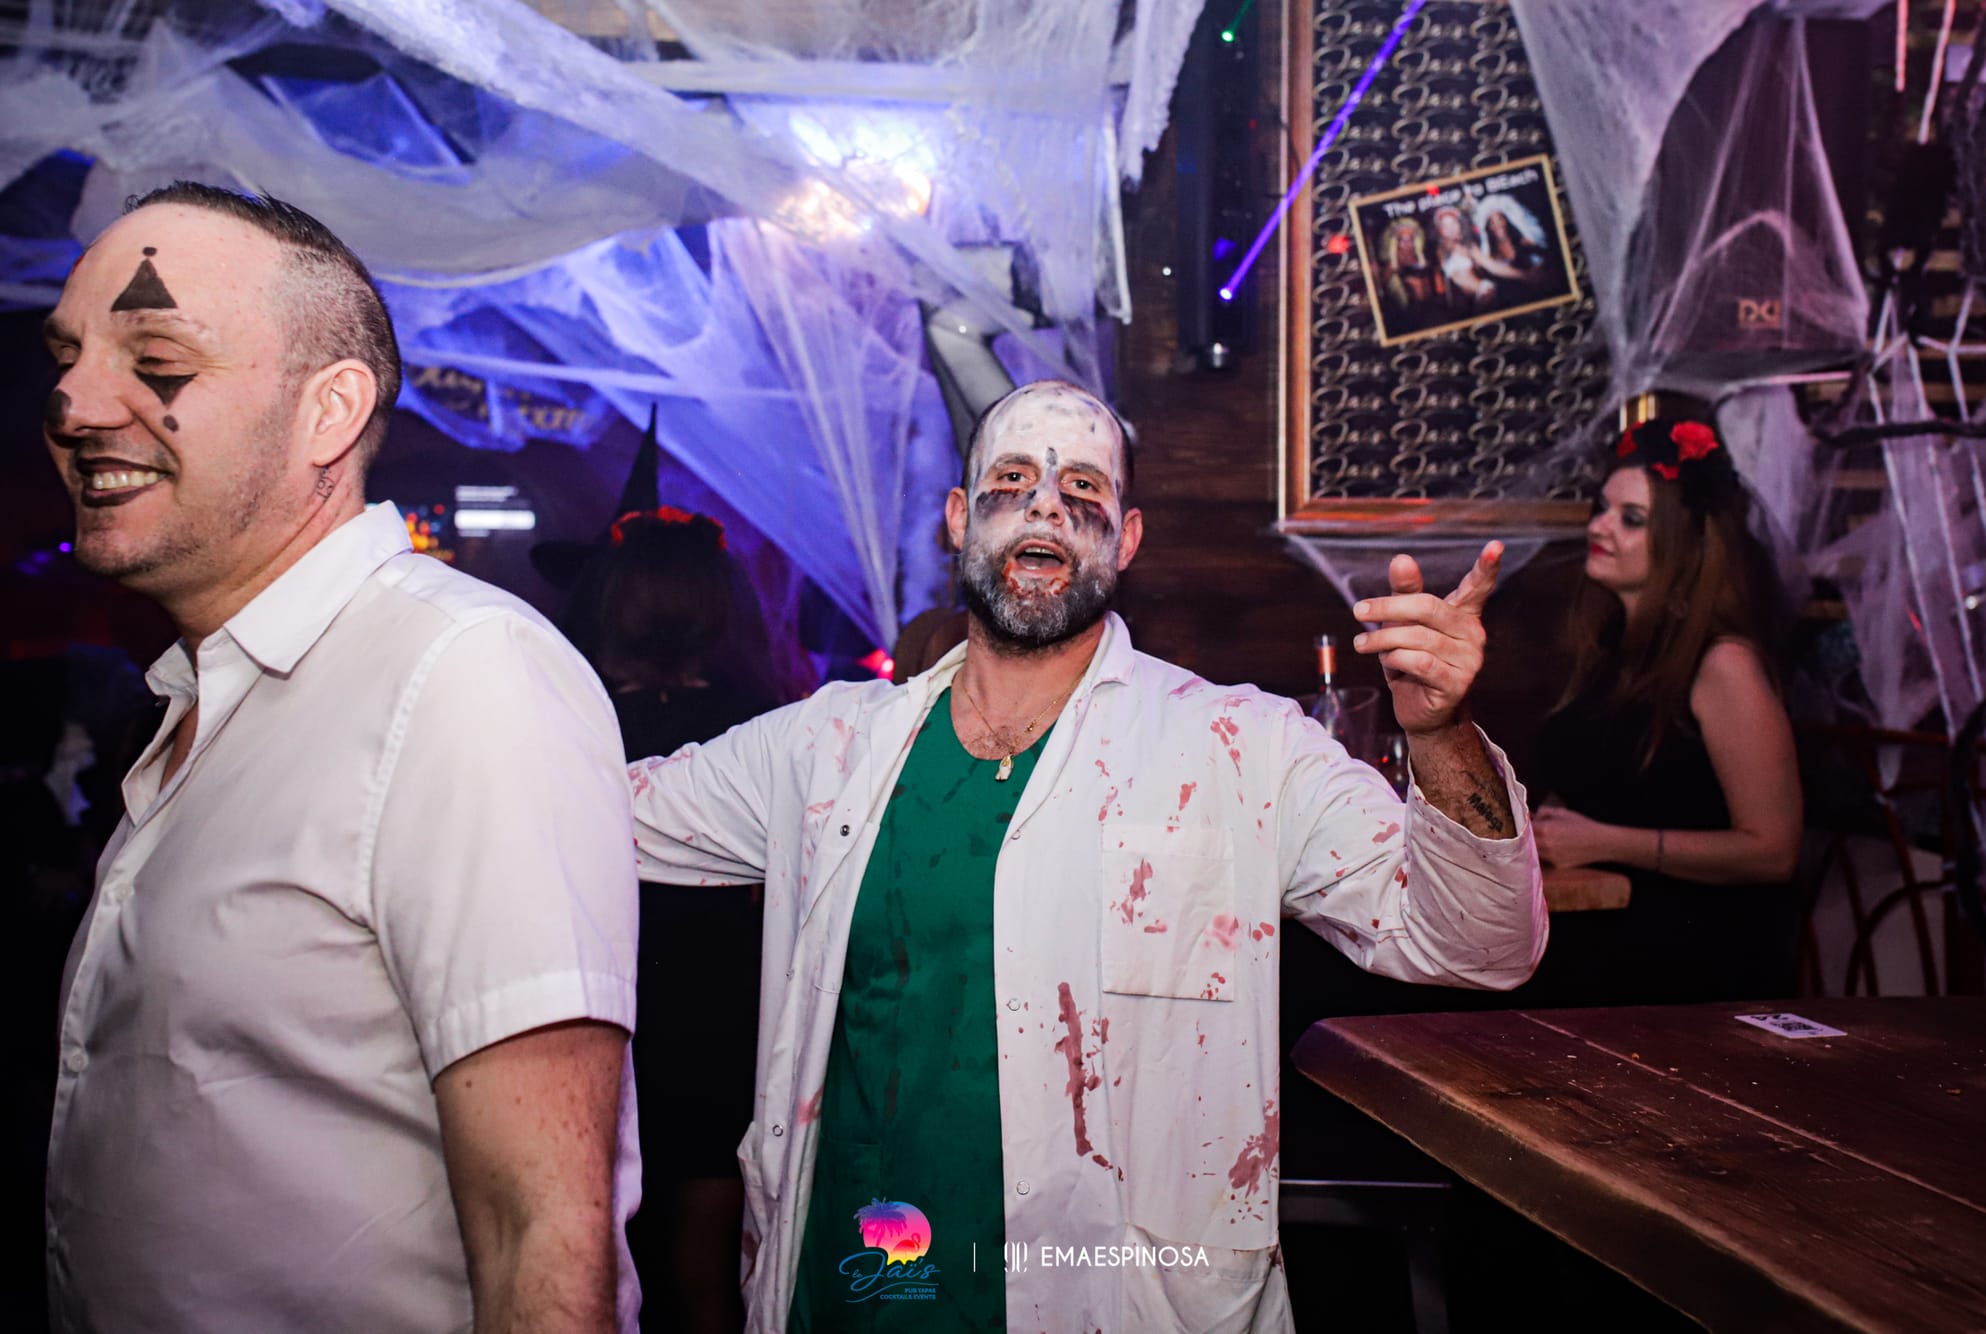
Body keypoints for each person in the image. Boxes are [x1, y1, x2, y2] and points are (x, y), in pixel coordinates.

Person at [627, 379, 1546, 1330]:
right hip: (853, 1290)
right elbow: (613, 815)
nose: (1045, 508)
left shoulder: (1242, 746)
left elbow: (1478, 946)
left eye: (1082, 490)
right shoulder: (827, 747)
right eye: (1012, 481)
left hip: (1112, 1298)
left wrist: (1440, 733)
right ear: (959, 518)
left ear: (1128, 539)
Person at [39, 183, 641, 1332]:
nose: (72, 401)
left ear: (329, 411)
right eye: (66, 357)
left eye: (155, 357)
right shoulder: (209, 696)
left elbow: (541, 1236)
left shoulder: (458, 676)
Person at [559, 507, 781, 1334]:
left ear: (612, 600)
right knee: (705, 1276)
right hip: (717, 1018)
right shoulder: (758, 720)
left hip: (605, 1009)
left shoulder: (573, 716)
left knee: (585, 1252)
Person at [1530, 413, 1803, 1004]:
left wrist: (1606, 842)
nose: (1599, 526)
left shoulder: (1724, 664)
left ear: (1682, 546)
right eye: (1602, 508)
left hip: (1691, 965)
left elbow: (1774, 850)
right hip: (1606, 938)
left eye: (1630, 519)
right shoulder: (1613, 652)